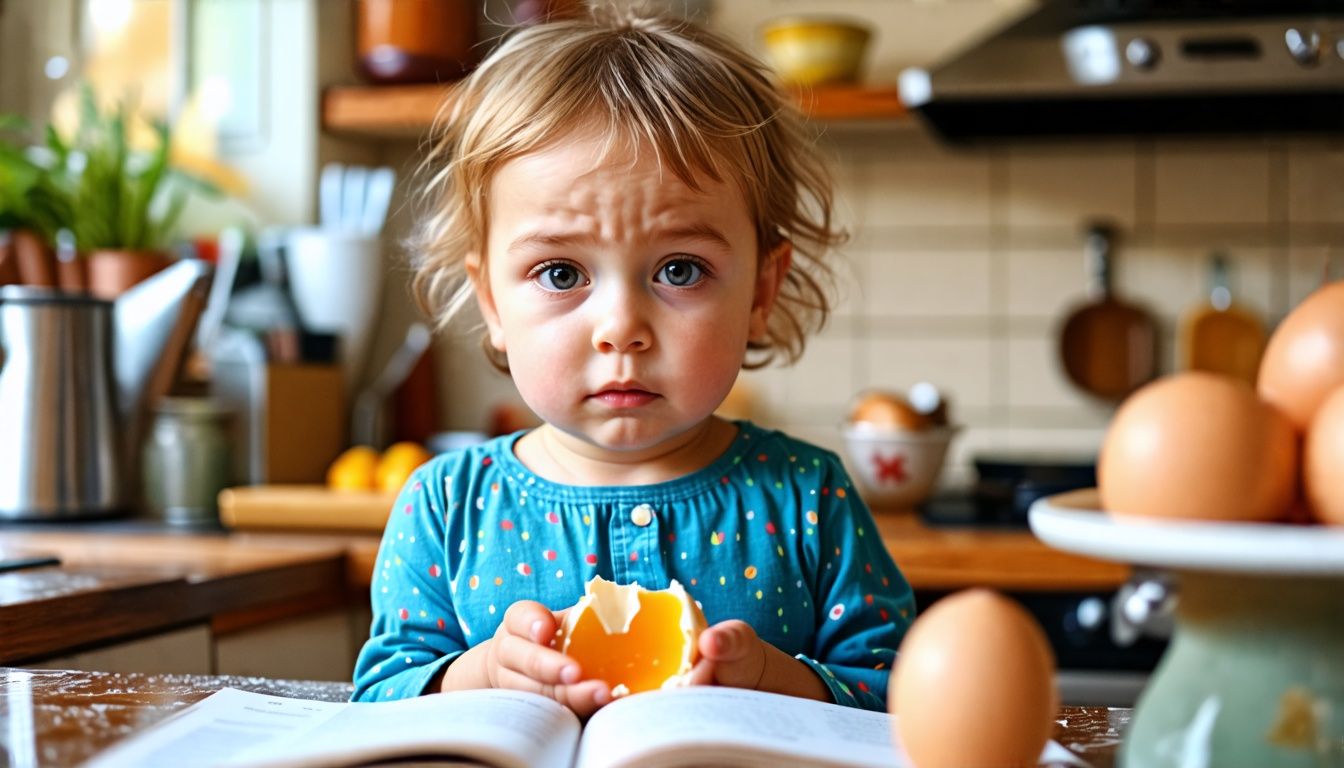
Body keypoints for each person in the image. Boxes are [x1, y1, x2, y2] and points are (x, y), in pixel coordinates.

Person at [352, 5, 916, 715]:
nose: (621, 328)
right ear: (492, 301)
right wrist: (483, 674)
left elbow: (903, 694)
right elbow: (379, 699)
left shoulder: (809, 499)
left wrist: (771, 678)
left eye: (679, 270)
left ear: (760, 293)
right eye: (561, 274)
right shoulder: (444, 508)